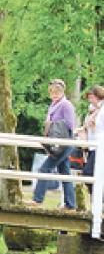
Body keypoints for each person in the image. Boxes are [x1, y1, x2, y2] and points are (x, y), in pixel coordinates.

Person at [31, 79, 77, 209]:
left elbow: (70, 125)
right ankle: (71, 204)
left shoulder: (66, 105)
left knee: (44, 169)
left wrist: (54, 125)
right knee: (65, 173)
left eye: (57, 92)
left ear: (62, 92)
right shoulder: (53, 105)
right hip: (58, 144)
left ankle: (37, 199)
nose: (54, 95)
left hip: (63, 144)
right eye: (52, 92)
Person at [78, 85, 104, 178]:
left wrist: (94, 126)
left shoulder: (101, 110)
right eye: (89, 98)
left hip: (100, 145)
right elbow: (87, 125)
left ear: (98, 96)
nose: (90, 100)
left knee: (88, 173)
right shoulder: (92, 110)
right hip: (91, 145)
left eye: (92, 97)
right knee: (91, 174)